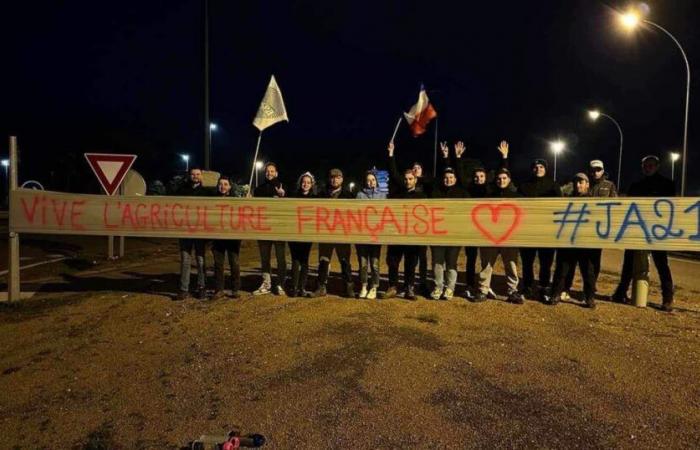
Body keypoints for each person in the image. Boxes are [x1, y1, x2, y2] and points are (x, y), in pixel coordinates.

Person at [612, 155, 675, 311]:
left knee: (662, 264)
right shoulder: (636, 186)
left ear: (657, 166)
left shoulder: (667, 185)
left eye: (651, 165)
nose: (648, 168)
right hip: (637, 230)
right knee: (628, 263)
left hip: (656, 232)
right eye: (646, 166)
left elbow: (672, 207)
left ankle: (667, 298)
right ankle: (621, 292)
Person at [472, 141, 525, 304]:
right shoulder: (489, 192)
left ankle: (512, 291)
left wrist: (505, 158)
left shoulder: (516, 196)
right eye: (499, 178)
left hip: (509, 237)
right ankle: (482, 290)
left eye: (504, 178)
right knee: (486, 264)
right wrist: (503, 159)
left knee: (511, 265)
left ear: (509, 179)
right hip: (490, 236)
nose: (501, 180)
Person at [456, 140, 507, 299]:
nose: (478, 178)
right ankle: (470, 285)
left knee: (486, 261)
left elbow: (501, 174)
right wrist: (457, 158)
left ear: (486, 177)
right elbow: (459, 176)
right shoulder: (469, 188)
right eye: (476, 176)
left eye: (481, 176)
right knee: (470, 259)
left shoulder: (489, 189)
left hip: (487, 231)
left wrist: (504, 157)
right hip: (472, 229)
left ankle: (486, 286)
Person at [383, 142, 427, 300]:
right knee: (393, 261)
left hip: (413, 236)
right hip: (396, 234)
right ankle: (393, 286)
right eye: (406, 179)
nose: (408, 181)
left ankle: (409, 288)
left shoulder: (422, 197)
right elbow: (393, 172)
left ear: (415, 180)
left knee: (411, 263)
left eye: (411, 178)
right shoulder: (397, 194)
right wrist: (391, 154)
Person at [548, 173, 597, 308]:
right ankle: (556, 294)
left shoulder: (593, 202)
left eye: (581, 182)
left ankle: (589, 297)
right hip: (568, 242)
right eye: (576, 182)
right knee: (561, 270)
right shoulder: (566, 200)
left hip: (585, 244)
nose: (578, 185)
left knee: (588, 272)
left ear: (587, 184)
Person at [518, 156, 562, 300]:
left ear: (545, 169)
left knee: (546, 263)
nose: (538, 169)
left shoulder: (553, 186)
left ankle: (544, 287)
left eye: (541, 167)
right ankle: (527, 286)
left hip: (547, 231)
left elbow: (559, 207)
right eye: (536, 167)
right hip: (528, 230)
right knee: (527, 262)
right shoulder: (524, 186)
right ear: (532, 169)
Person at [430, 142, 469, 300]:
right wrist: (445, 158)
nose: (448, 180)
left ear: (455, 179)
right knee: (438, 263)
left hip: (454, 235)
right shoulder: (435, 191)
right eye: (446, 177)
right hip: (437, 234)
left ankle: (450, 288)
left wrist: (457, 158)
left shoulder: (462, 192)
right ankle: (438, 287)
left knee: (451, 262)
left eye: (451, 177)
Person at [312, 168, 356, 298]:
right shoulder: (321, 195)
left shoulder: (348, 195)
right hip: (326, 234)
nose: (334, 179)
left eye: (337, 177)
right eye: (332, 177)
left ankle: (348, 286)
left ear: (342, 179)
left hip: (343, 235)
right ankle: (321, 287)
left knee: (345, 261)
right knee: (324, 261)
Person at [252, 162, 287, 296]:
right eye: (267, 171)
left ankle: (280, 284)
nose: (269, 173)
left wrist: (283, 196)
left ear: (276, 173)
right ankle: (266, 283)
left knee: (280, 258)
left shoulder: (283, 188)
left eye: (272, 171)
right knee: (265, 258)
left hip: (278, 230)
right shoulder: (258, 189)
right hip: (264, 229)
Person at [176, 167, 208, 300]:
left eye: (198, 174)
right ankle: (184, 289)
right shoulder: (181, 191)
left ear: (202, 176)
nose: (195, 176)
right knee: (185, 259)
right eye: (193, 174)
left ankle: (201, 287)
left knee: (200, 260)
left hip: (200, 231)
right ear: (189, 176)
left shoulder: (207, 192)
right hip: (185, 231)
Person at [355, 170, 386, 299]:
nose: (371, 182)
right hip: (362, 235)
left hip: (375, 235)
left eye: (373, 180)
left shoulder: (382, 195)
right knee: (362, 263)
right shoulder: (359, 195)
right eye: (368, 180)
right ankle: (363, 285)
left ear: (376, 181)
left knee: (374, 263)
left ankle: (374, 286)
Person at [211, 176, 241, 299]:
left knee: (234, 263)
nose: (223, 186)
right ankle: (219, 289)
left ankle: (235, 289)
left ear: (230, 186)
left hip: (233, 237)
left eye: (225, 184)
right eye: (220, 184)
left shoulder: (236, 201)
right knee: (218, 264)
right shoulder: (212, 201)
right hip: (218, 237)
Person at [288, 172, 317, 297]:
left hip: (307, 234)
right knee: (295, 260)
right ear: (300, 183)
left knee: (304, 260)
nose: (305, 184)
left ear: (312, 185)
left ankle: (302, 287)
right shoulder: (293, 196)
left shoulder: (316, 198)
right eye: (304, 182)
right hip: (294, 234)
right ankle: (294, 287)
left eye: (308, 182)